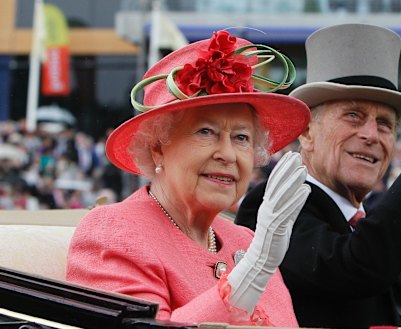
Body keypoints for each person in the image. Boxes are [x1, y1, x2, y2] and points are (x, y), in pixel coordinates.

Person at [236, 23, 401, 328]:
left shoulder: (372, 229)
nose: (370, 135)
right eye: (353, 115)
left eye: (384, 124)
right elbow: (355, 269)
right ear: (308, 131)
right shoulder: (272, 207)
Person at [66, 30, 312, 326]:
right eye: (205, 132)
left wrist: (257, 261)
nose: (228, 154)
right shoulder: (112, 232)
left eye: (242, 137)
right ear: (158, 147)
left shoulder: (245, 240)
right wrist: (252, 272)